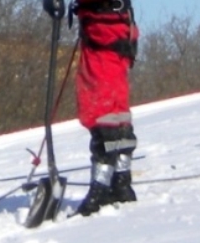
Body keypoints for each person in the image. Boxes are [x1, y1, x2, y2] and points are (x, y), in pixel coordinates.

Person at [45, 0, 139, 216]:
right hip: (115, 28)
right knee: (116, 110)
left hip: (103, 29)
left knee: (100, 108)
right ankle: (121, 181)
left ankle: (101, 188)